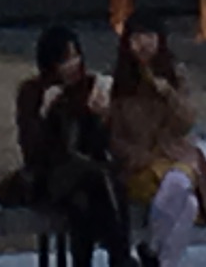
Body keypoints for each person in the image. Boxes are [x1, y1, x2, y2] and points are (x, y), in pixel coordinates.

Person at [8, 22, 133, 267]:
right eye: (65, 59)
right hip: (49, 177)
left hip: (85, 179)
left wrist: (101, 116)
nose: (73, 65)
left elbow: (97, 146)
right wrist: (44, 112)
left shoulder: (88, 88)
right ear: (50, 62)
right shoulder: (32, 91)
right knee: (97, 180)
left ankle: (105, 260)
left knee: (84, 200)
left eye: (76, 56)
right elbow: (33, 150)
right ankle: (121, 258)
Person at [104, 17, 206, 267]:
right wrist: (139, 156)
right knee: (187, 205)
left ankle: (151, 248)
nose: (144, 44)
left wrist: (169, 94)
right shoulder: (121, 84)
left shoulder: (175, 76)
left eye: (150, 36)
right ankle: (160, 260)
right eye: (136, 38)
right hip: (140, 167)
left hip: (176, 157)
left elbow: (187, 122)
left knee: (179, 183)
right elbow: (114, 139)